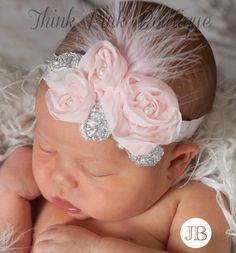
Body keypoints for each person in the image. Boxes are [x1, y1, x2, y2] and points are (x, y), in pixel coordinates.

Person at [0, 1, 232, 252]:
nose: (60, 179)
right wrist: (9, 194)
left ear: (175, 163)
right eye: (46, 147)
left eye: (96, 171)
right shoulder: (29, 179)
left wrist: (98, 248)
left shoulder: (193, 204)